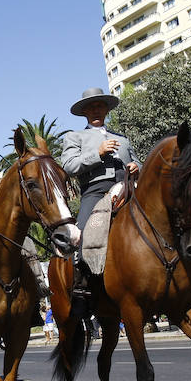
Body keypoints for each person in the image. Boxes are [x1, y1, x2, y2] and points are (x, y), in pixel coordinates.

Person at [60, 87, 141, 314]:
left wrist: (137, 167)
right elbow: (69, 166)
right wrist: (98, 153)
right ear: (85, 112)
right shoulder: (75, 137)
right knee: (81, 234)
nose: (96, 110)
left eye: (100, 106)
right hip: (96, 191)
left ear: (106, 109)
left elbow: (138, 161)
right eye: (91, 107)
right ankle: (81, 288)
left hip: (127, 188)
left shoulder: (123, 138)